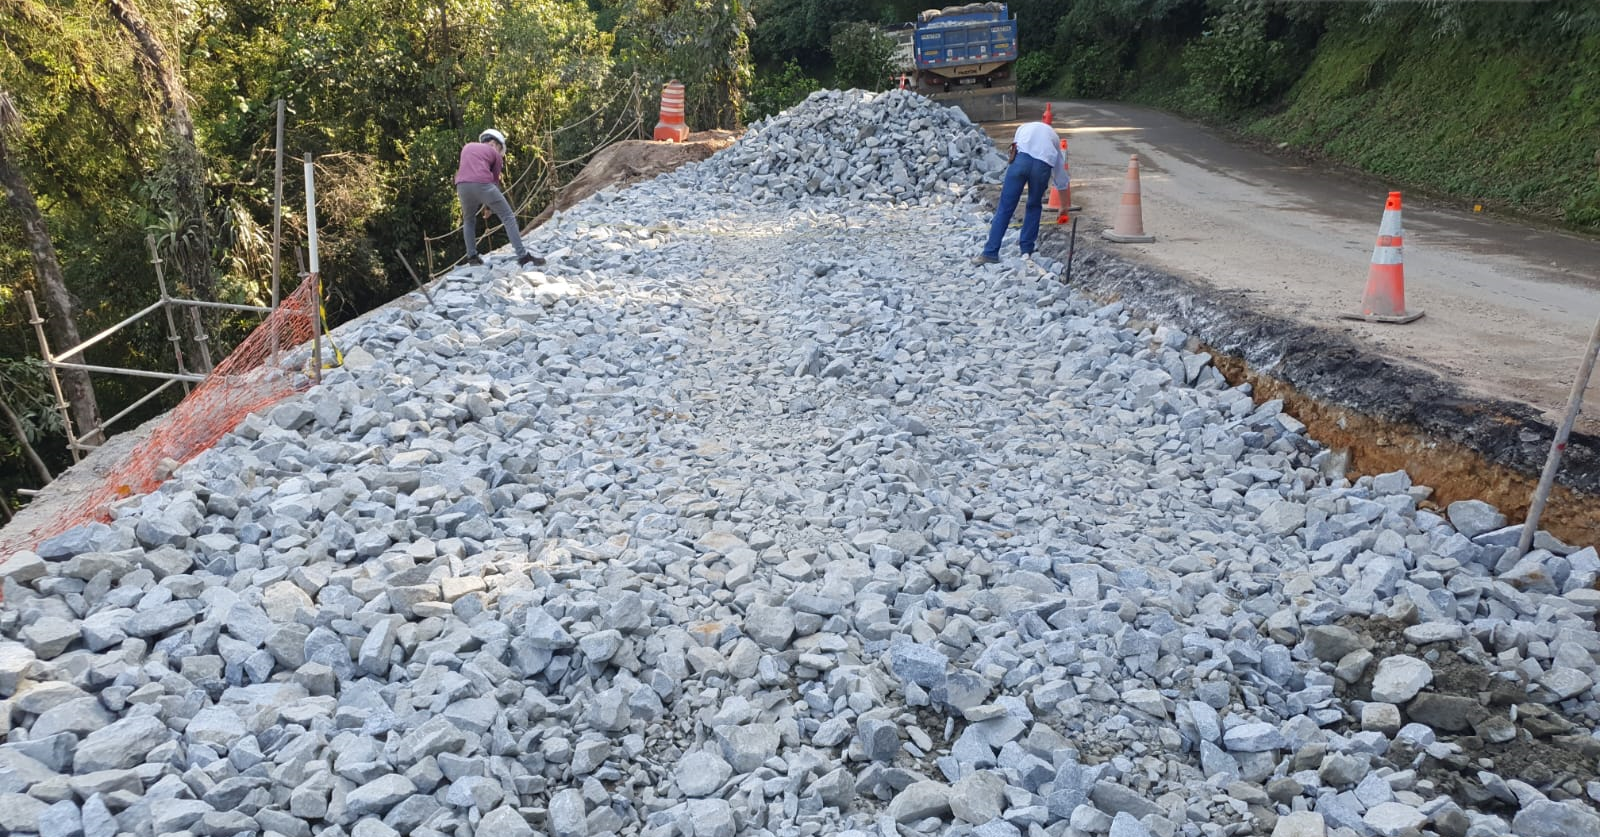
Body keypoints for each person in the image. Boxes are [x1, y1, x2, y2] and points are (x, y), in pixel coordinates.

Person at [973, 113, 1069, 265]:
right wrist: (1063, 206)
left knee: (1005, 207)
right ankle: (1026, 250)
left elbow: (1014, 150)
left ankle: (990, 253)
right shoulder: (1054, 137)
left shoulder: (1022, 128)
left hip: (1020, 162)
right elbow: (1061, 177)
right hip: (1042, 166)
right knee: (1034, 205)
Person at [456, 128, 542, 268]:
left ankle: (472, 257)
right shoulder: (495, 155)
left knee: (469, 220)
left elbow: (469, 170)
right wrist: (489, 208)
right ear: (494, 143)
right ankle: (523, 256)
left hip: (461, 185)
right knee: (508, 216)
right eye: (500, 148)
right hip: (483, 184)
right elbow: (494, 183)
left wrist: (486, 205)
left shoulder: (467, 147)